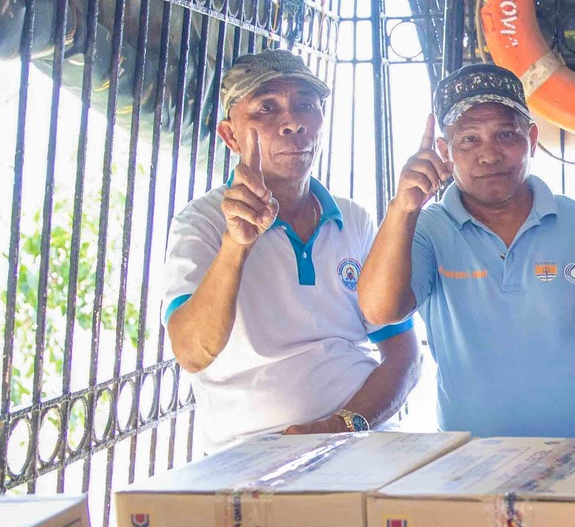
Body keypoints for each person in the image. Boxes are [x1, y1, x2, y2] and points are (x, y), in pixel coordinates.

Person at [357, 64, 575, 439]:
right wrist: (402, 208)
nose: (489, 155)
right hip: (472, 464)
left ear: (532, 139)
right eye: (468, 139)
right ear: (443, 151)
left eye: (505, 134)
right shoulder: (427, 229)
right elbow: (378, 310)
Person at [164, 48, 420, 452]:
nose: (292, 123)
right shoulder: (202, 224)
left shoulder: (351, 218)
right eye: (266, 108)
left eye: (305, 105)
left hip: (359, 438)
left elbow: (403, 352)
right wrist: (237, 246)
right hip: (254, 453)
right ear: (230, 135)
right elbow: (192, 353)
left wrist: (345, 423)